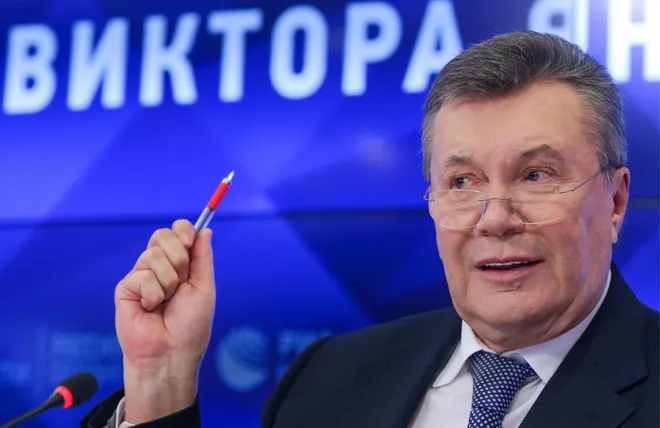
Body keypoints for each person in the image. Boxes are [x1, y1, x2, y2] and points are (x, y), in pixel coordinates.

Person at [81, 30, 659, 428]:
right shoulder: (326, 380)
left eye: (536, 175)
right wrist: (160, 381)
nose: (496, 218)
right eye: (462, 182)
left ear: (615, 202)